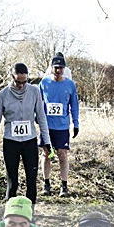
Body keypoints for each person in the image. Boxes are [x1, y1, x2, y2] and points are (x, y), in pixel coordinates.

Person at [0, 63, 51, 204]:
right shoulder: (3, 95)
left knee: (31, 180)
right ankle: (10, 212)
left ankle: (30, 212)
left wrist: (47, 141)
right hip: (11, 142)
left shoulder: (34, 91)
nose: (21, 85)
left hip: (30, 141)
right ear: (12, 77)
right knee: (12, 181)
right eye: (18, 82)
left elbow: (42, 118)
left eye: (24, 82)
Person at [39, 53, 80, 197]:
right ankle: (46, 183)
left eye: (61, 68)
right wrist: (36, 117)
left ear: (64, 69)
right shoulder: (44, 83)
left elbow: (74, 105)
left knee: (62, 155)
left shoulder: (70, 84)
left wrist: (76, 123)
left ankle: (64, 185)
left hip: (62, 126)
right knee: (46, 154)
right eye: (56, 68)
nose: (58, 71)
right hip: (46, 126)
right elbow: (38, 102)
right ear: (51, 68)